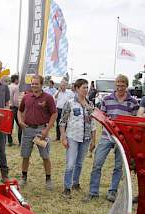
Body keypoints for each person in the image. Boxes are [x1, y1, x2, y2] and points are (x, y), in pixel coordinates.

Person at [84, 74, 139, 202]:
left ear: (127, 86)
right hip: (106, 136)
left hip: (123, 140)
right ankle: (93, 192)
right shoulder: (107, 99)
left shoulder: (133, 102)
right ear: (115, 85)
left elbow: (134, 121)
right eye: (118, 85)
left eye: (123, 85)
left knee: (118, 167)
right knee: (97, 163)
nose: (120, 87)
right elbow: (102, 117)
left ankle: (112, 192)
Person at [18, 75, 57, 190]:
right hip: (28, 130)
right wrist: (20, 121)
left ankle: (48, 179)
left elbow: (54, 114)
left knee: (45, 156)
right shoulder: (26, 97)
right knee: (25, 155)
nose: (34, 85)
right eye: (32, 83)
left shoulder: (48, 98)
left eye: (36, 83)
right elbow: (19, 111)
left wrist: (46, 129)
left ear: (41, 84)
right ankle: (24, 177)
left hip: (41, 131)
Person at [59, 79, 96, 198]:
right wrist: (63, 137)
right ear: (76, 88)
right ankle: (67, 188)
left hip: (86, 138)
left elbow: (93, 123)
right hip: (72, 137)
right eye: (83, 88)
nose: (86, 90)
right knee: (70, 164)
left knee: (79, 163)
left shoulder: (90, 104)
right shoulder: (69, 103)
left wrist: (93, 140)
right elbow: (62, 122)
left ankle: (75, 183)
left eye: (87, 87)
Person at [7, 74, 22, 146]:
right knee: (20, 124)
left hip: (8, 107)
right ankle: (20, 142)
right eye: (18, 79)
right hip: (14, 108)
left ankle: (10, 141)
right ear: (16, 80)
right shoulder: (16, 87)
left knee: (9, 125)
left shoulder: (8, 86)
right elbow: (16, 99)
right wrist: (19, 107)